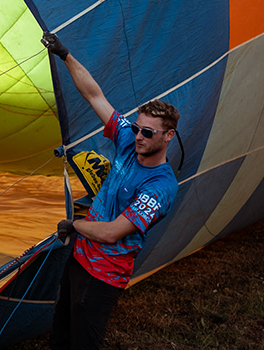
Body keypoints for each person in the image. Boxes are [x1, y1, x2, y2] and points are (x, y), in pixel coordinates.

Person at [42, 33, 180, 350]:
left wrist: (74, 225)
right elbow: (95, 96)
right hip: (79, 260)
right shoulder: (128, 142)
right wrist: (65, 55)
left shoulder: (160, 187)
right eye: (136, 128)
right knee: (60, 338)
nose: (139, 136)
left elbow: (111, 234)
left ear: (168, 136)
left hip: (104, 276)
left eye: (148, 132)